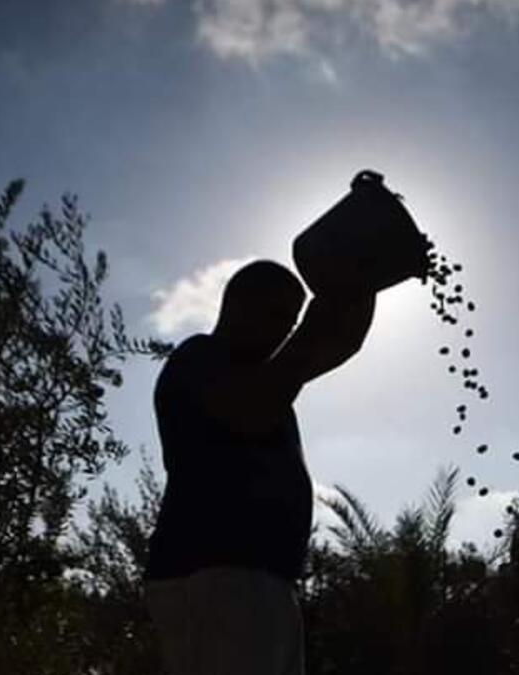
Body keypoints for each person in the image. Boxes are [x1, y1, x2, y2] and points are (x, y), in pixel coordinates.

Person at [143, 250, 426, 675]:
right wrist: (312, 326)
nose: (284, 330)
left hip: (257, 581)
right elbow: (251, 410)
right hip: (215, 574)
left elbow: (343, 343)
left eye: (290, 319)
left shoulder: (269, 375)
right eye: (276, 314)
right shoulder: (200, 358)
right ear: (236, 304)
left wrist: (369, 276)